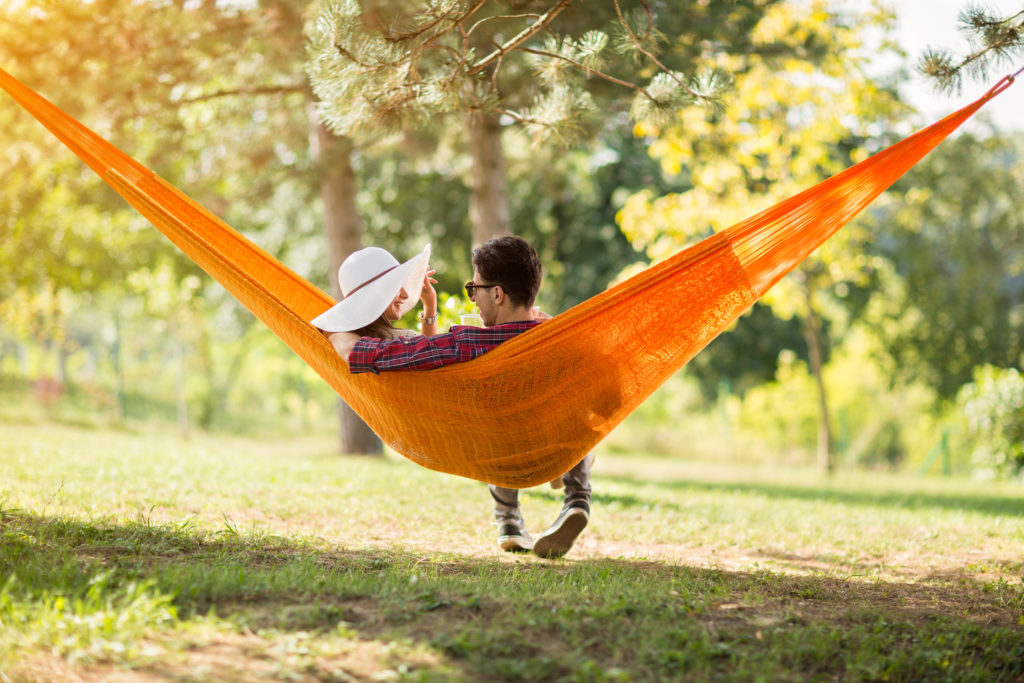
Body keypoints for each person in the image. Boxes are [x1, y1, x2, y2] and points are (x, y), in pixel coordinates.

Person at [316, 235, 593, 559]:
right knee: (581, 391)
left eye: (474, 289)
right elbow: (610, 391)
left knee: (499, 415)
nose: (472, 298)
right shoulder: (564, 342)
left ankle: (507, 518)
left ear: (498, 294)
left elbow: (371, 354)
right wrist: (550, 328)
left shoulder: (464, 344)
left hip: (500, 454)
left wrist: (337, 331)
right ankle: (577, 498)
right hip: (554, 446)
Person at [311, 244, 438, 339]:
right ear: (376, 295)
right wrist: (430, 305)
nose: (406, 295)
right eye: (396, 287)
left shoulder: (345, 338)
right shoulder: (403, 340)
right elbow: (431, 359)